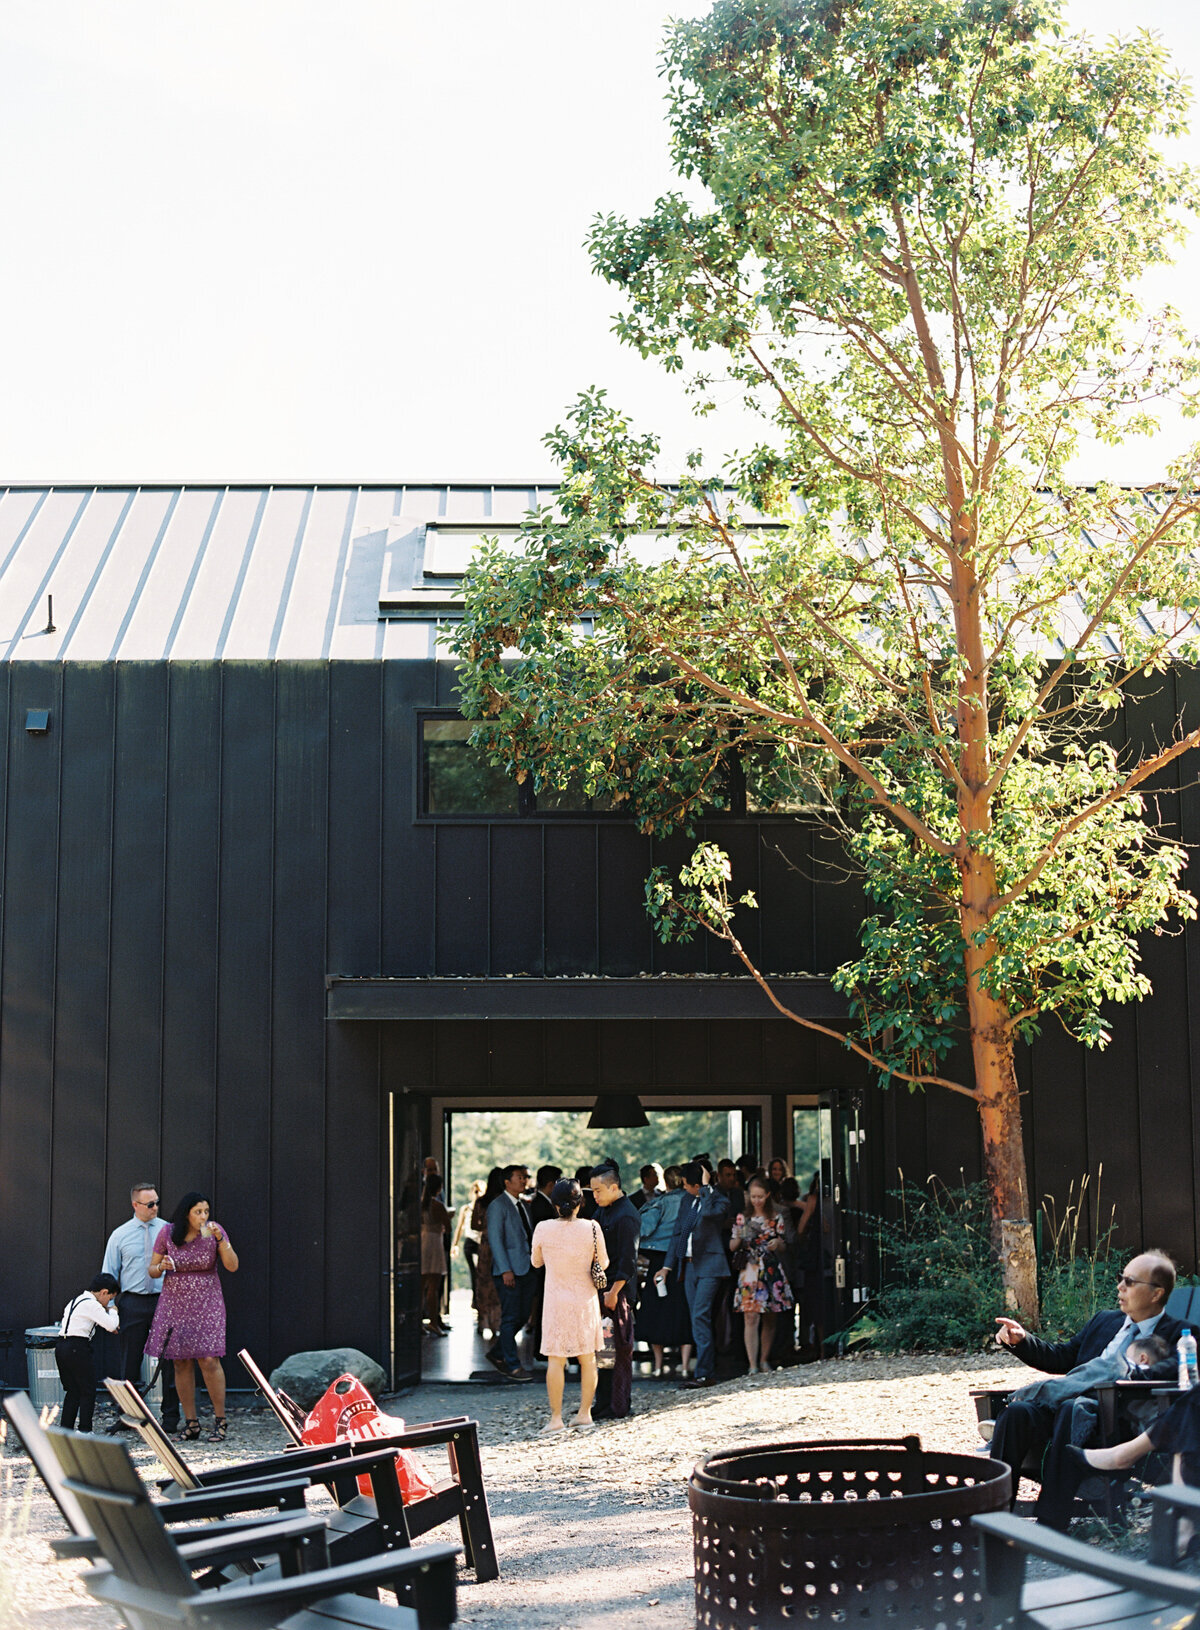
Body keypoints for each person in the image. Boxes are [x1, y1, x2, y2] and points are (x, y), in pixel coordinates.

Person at [989, 1250, 1182, 1528]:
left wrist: (1134, 1372)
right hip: (1072, 1403)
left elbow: (1178, 1371)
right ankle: (994, 1519)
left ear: (1156, 1293)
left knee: (1073, 1409)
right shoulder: (1105, 1320)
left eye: (1130, 1281)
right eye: (1121, 1279)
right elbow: (1063, 1358)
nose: (1120, 1286)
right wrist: (1022, 1340)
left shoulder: (1179, 1333)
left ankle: (1050, 1525)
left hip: (1117, 1418)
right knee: (1018, 1412)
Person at [146, 1192, 240, 1442]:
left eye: (206, 1211)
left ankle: (220, 1420)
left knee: (209, 1359)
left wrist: (222, 1240)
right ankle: (191, 1423)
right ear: (186, 1213)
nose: (203, 1217)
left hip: (207, 1300)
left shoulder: (212, 1232)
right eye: (198, 1212)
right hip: (174, 1302)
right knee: (180, 1361)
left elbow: (232, 1265)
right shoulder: (168, 1232)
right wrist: (161, 1266)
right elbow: (152, 1270)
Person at [530, 1178, 608, 1432]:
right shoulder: (592, 1228)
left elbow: (536, 1263)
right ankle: (584, 1413)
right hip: (584, 1300)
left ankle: (555, 1419)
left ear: (554, 1205)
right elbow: (604, 1263)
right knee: (588, 1358)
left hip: (555, 1301)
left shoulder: (543, 1227)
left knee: (556, 1359)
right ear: (580, 1203)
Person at [101, 1180, 180, 1431]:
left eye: (157, 1202)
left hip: (163, 1300)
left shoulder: (168, 1231)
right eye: (150, 1204)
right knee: (130, 1361)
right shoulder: (120, 1235)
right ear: (135, 1205)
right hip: (133, 1302)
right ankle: (128, 1416)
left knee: (169, 1360)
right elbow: (109, 1274)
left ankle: (170, 1418)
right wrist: (111, 1309)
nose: (155, 1207)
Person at [657, 1160, 731, 1390]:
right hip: (687, 1266)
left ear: (698, 1184)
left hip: (710, 1265)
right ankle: (704, 1369)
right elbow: (678, 1233)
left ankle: (704, 1373)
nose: (684, 1188)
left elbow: (709, 1215)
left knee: (701, 1315)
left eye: (688, 1184)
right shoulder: (687, 1200)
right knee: (696, 1318)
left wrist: (707, 1189)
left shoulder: (718, 1200)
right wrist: (667, 1267)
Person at [589, 1160, 640, 1420]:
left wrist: (613, 1292)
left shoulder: (627, 1214)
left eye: (598, 1191)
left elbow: (628, 1261)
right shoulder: (603, 1210)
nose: (594, 1196)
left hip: (616, 1292)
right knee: (604, 1350)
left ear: (613, 1187)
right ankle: (603, 1401)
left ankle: (619, 1405)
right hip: (602, 1290)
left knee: (619, 1349)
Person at [732, 1174, 795, 1374]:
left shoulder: (776, 1217)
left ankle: (764, 1359)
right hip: (749, 1270)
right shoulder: (743, 1217)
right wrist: (741, 1232)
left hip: (770, 1268)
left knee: (770, 1317)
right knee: (750, 1317)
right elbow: (733, 1245)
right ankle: (752, 1365)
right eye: (753, 1196)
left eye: (760, 1196)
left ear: (768, 1195)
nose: (756, 1200)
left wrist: (778, 1244)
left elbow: (785, 1244)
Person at [636, 1164, 693, 1378]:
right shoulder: (692, 1202)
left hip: (659, 1259)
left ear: (666, 1182)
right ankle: (686, 1365)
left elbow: (645, 1228)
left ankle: (658, 1365)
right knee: (684, 1309)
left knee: (655, 1311)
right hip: (684, 1259)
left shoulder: (660, 1203)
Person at [487, 1163, 536, 1381]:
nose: (524, 1180)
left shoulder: (522, 1205)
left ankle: (497, 1354)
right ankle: (512, 1365)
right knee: (510, 1317)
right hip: (508, 1270)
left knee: (523, 1315)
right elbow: (496, 1240)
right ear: (507, 1181)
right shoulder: (498, 1206)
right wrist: (505, 1269)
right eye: (520, 1177)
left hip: (525, 1268)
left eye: (526, 1177)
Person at [55, 1273, 120, 1432]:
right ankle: (85, 1430)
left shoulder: (75, 1300)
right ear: (104, 1292)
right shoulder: (92, 1304)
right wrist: (113, 1311)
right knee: (88, 1390)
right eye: (110, 1298)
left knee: (73, 1391)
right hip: (78, 1346)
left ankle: (66, 1430)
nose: (108, 1302)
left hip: (62, 1345)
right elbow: (111, 1326)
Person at [472, 1168, 505, 1340]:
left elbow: (473, 1225)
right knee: (498, 1283)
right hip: (500, 1244)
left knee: (483, 1282)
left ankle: (482, 1320)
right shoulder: (503, 1201)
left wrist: (485, 1227)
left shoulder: (481, 1202)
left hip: (485, 1245)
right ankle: (496, 1323)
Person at [420, 1173, 452, 1336]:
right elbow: (448, 1226)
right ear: (439, 1188)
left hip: (423, 1240)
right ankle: (433, 1321)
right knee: (434, 1285)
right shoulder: (437, 1206)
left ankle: (419, 1321)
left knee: (421, 1285)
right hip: (434, 1242)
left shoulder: (421, 1204)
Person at [451, 1178, 485, 1302]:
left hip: (481, 1242)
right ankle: (476, 1299)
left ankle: (479, 1298)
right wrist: (454, 1245)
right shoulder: (466, 1209)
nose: (477, 1194)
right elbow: (459, 1228)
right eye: (475, 1191)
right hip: (470, 1242)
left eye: (480, 1191)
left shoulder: (484, 1208)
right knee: (474, 1271)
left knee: (481, 1272)